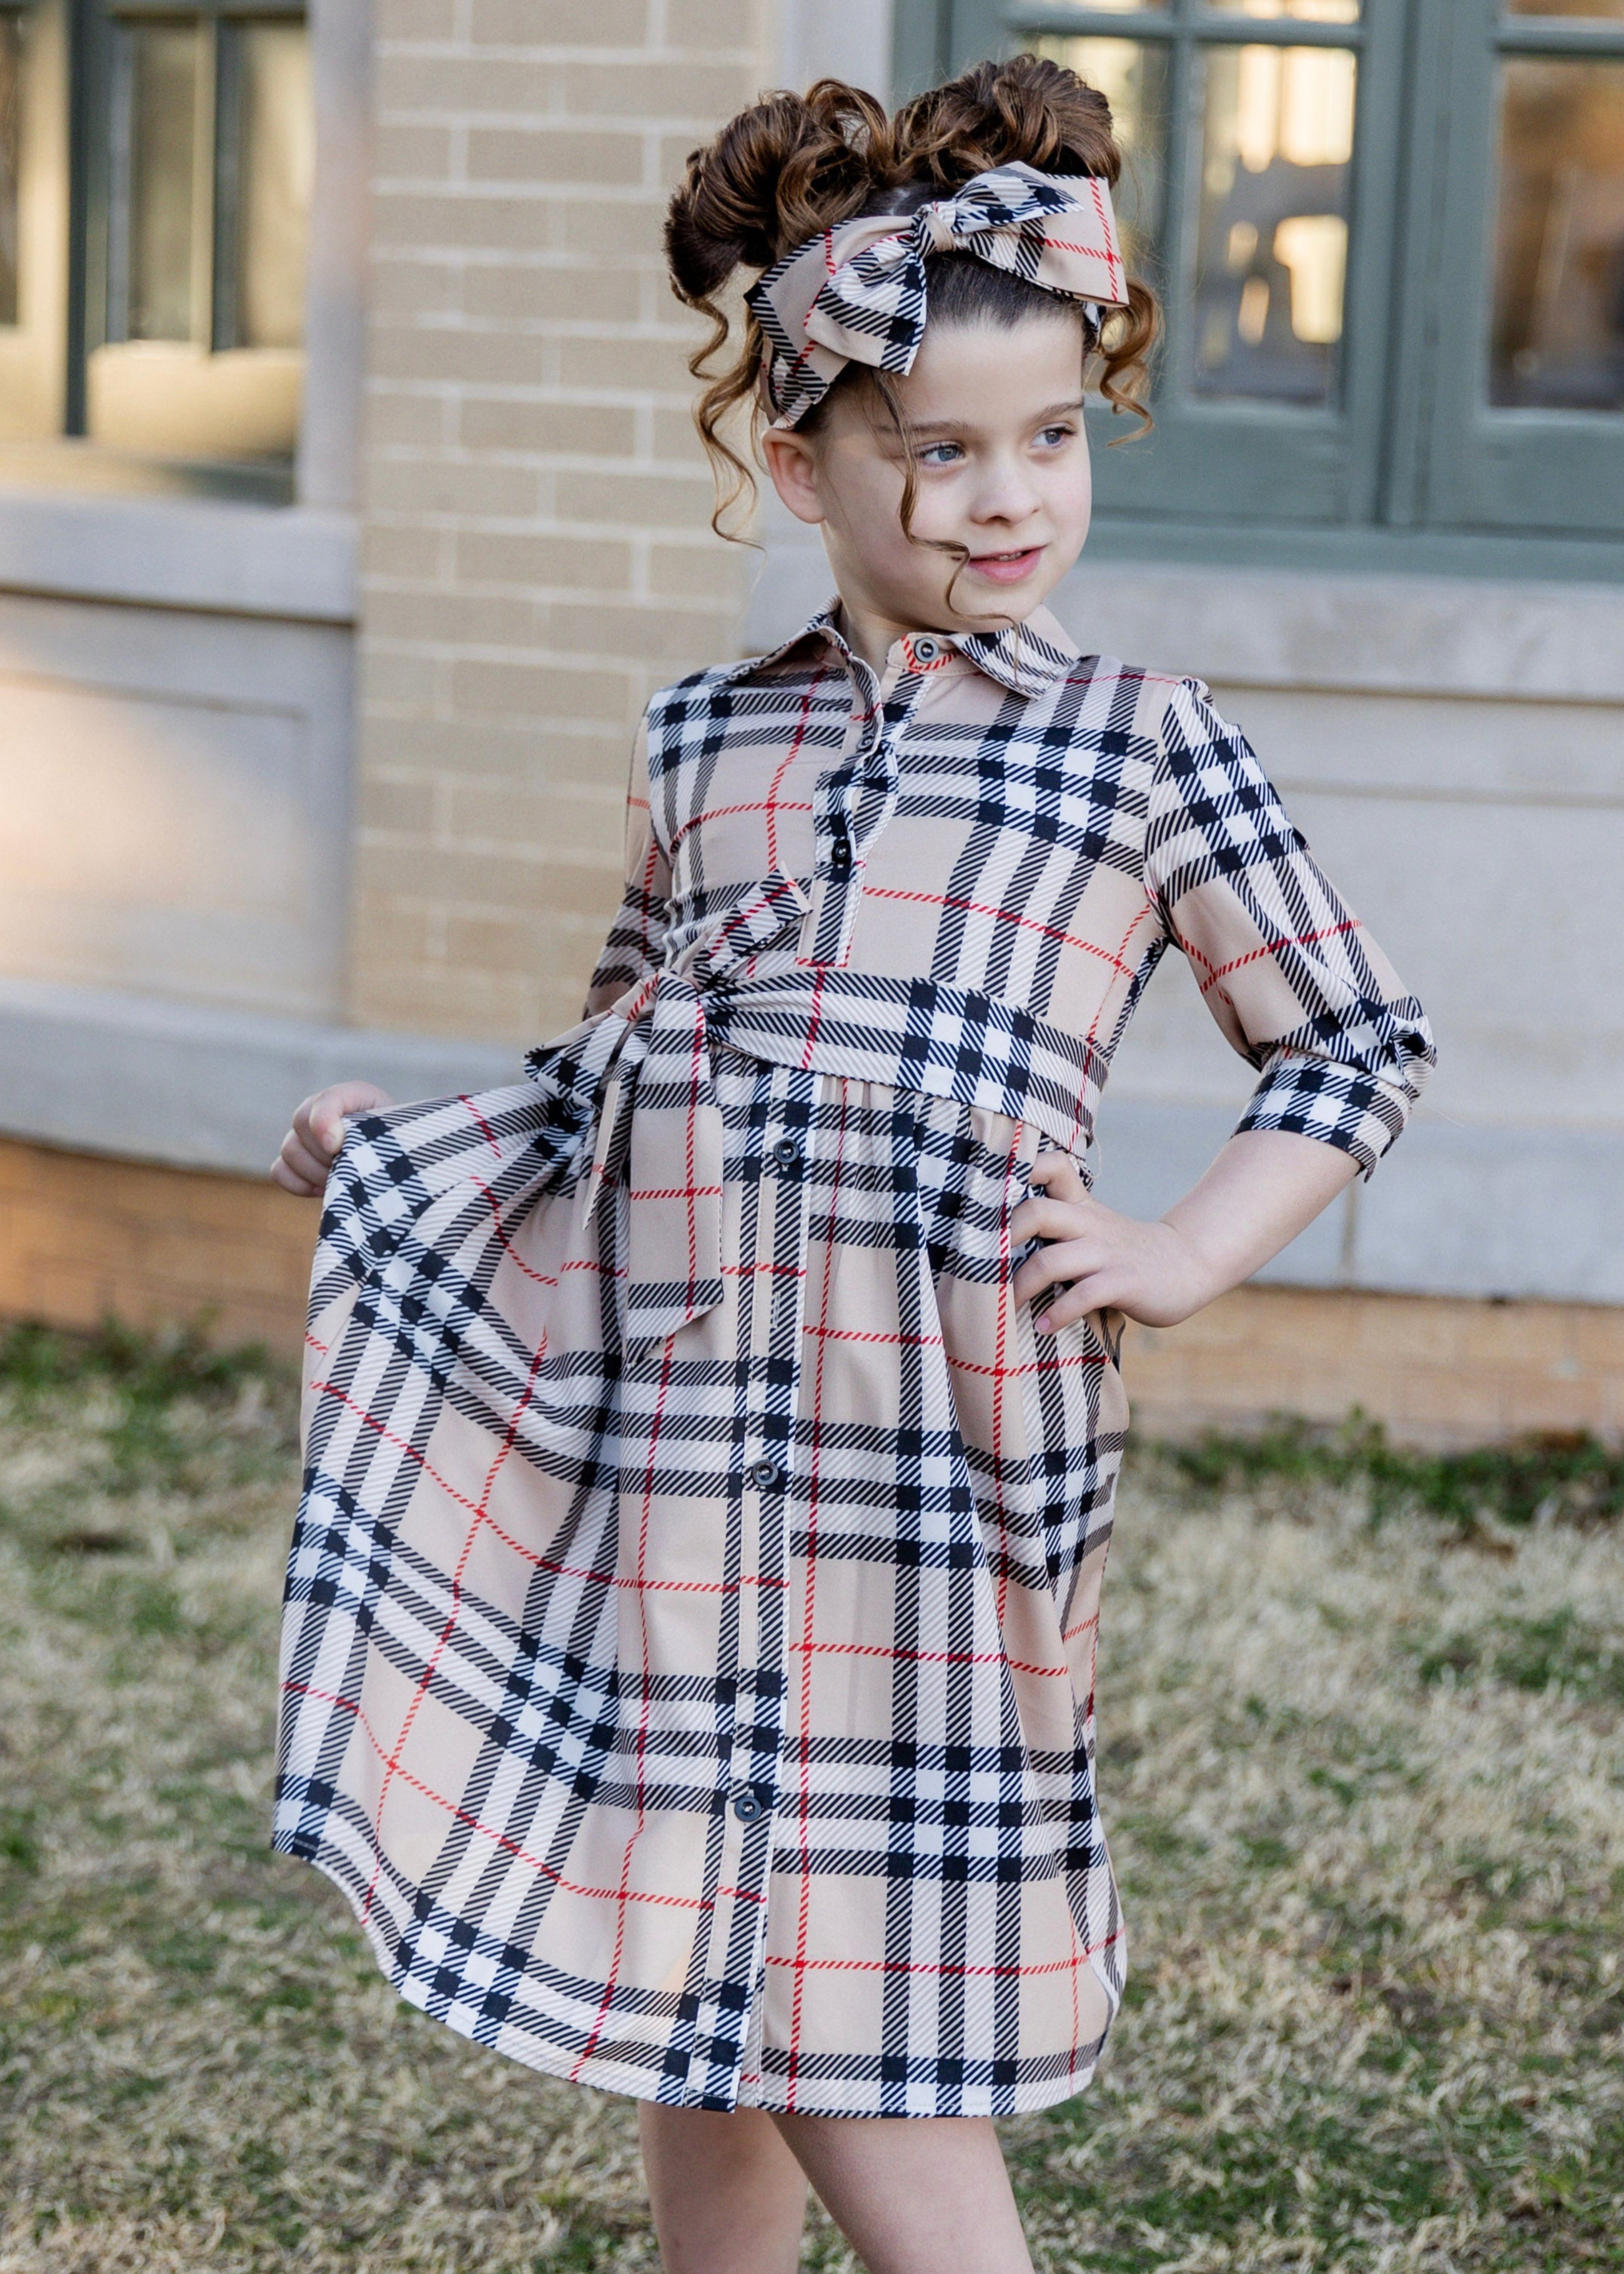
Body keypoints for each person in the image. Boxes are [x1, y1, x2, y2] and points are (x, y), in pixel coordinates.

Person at [270, 57, 1433, 2274]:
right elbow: (618, 1057)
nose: (1011, 500)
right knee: (701, 1985)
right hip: (692, 1428)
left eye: (1053, 438)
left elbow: (1355, 1038)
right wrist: (405, 1145)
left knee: (854, 1986)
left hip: (945, 1433)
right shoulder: (706, 738)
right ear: (804, 463)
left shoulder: (1140, 746)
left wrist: (1187, 1244)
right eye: (942, 451)